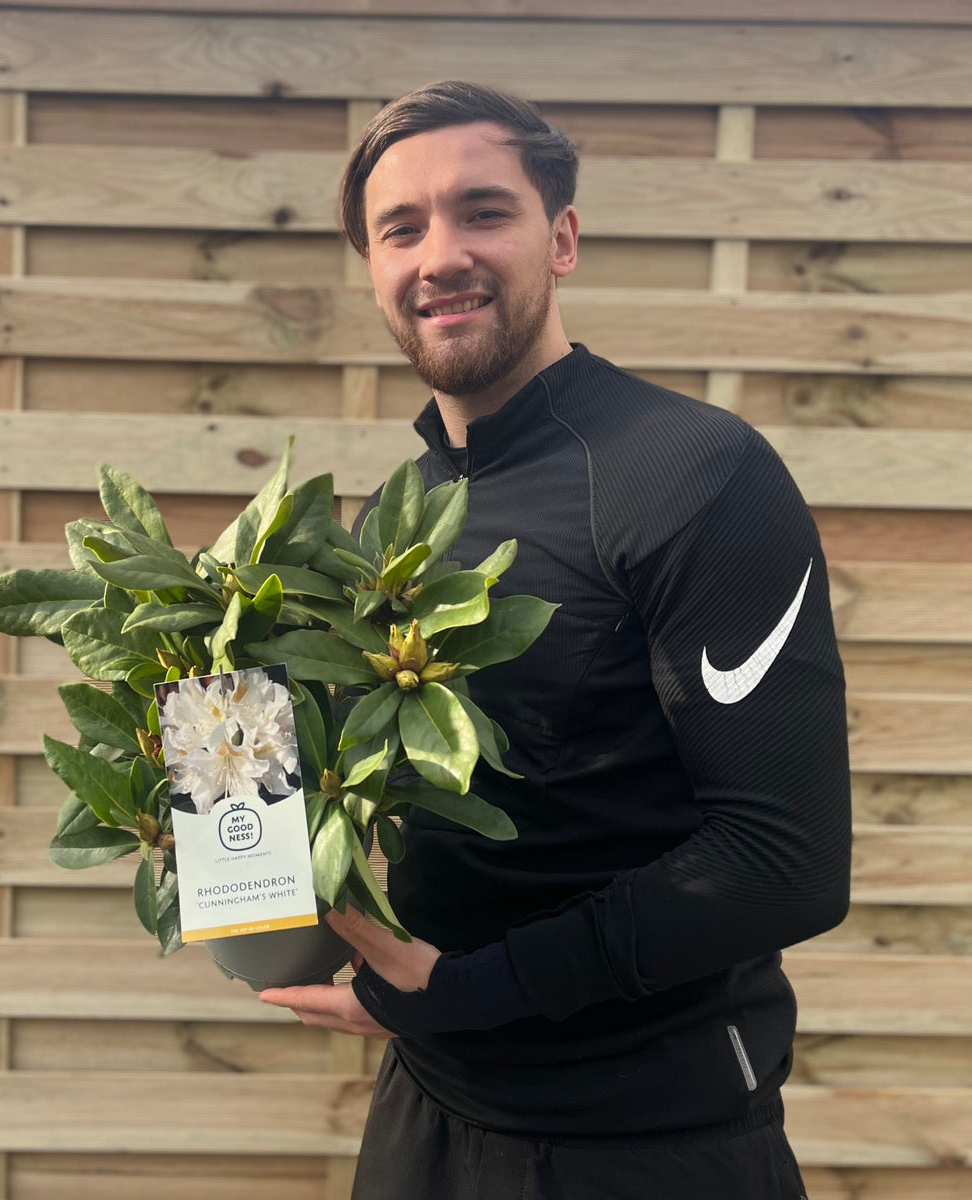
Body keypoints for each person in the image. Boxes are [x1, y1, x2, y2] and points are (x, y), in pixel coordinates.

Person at [259, 80, 849, 1200]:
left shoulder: (693, 474)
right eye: (402, 228)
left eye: (483, 211)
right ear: (376, 268)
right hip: (427, 1114)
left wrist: (463, 991)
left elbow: (786, 867)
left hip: (645, 1142)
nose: (439, 255)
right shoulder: (400, 513)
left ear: (561, 238)